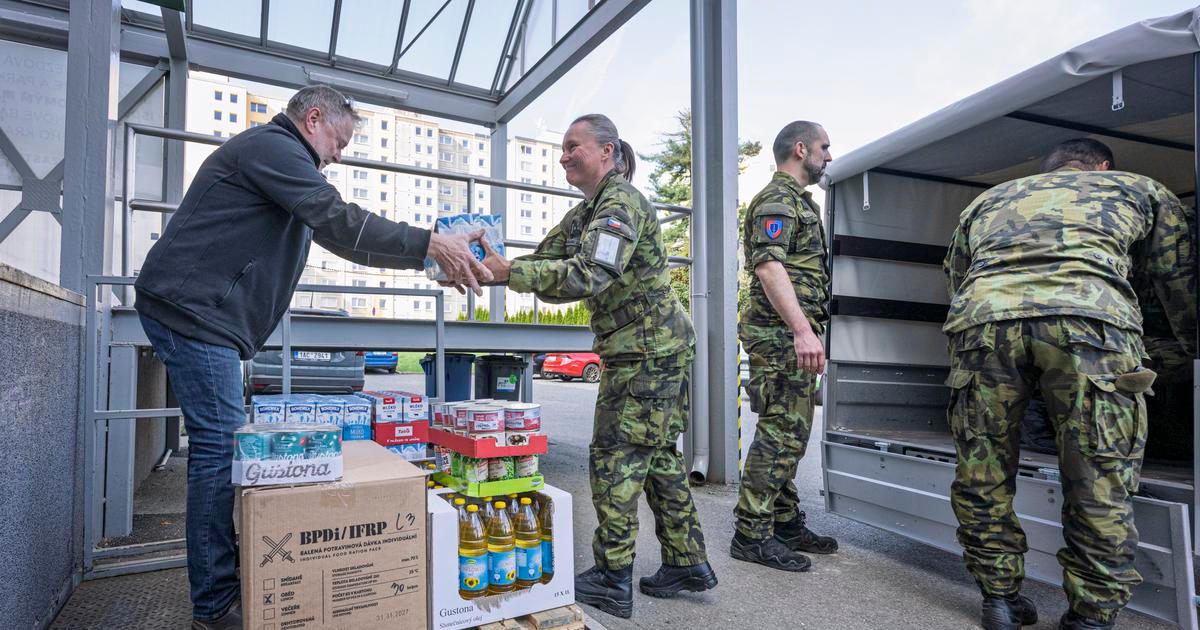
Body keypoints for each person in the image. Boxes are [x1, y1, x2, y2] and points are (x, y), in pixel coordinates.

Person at [133, 85, 490, 630]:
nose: (340, 155)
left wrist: (428, 258)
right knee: (219, 450)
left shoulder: (287, 166)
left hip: (207, 316)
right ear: (314, 117)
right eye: (340, 141)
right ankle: (213, 607)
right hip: (193, 311)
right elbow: (337, 218)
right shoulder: (274, 149)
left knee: (221, 447)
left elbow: (346, 241)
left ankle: (225, 588)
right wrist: (427, 242)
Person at [942, 138, 1194, 630]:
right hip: (1091, 323)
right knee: (1098, 475)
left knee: (983, 467)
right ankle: (1092, 616)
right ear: (1101, 167)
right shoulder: (1139, 188)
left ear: (1046, 171)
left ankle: (999, 600)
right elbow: (1174, 277)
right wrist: (1189, 347)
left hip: (986, 324)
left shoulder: (988, 200)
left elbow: (957, 276)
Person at [479, 114, 715, 619]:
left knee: (616, 457)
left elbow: (589, 274)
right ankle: (687, 561)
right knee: (657, 458)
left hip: (647, 351)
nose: (564, 155)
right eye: (562, 147)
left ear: (607, 151)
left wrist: (510, 273)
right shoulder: (586, 212)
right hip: (650, 348)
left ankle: (611, 577)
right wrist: (488, 261)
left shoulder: (619, 203)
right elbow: (548, 260)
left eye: (573, 146)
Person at [731, 121, 839, 573]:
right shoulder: (777, 201)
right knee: (782, 435)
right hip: (779, 336)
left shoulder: (796, 203)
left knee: (788, 432)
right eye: (823, 147)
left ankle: (784, 520)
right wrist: (801, 330)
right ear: (801, 149)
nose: (828, 157)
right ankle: (751, 534)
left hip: (787, 334)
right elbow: (769, 267)